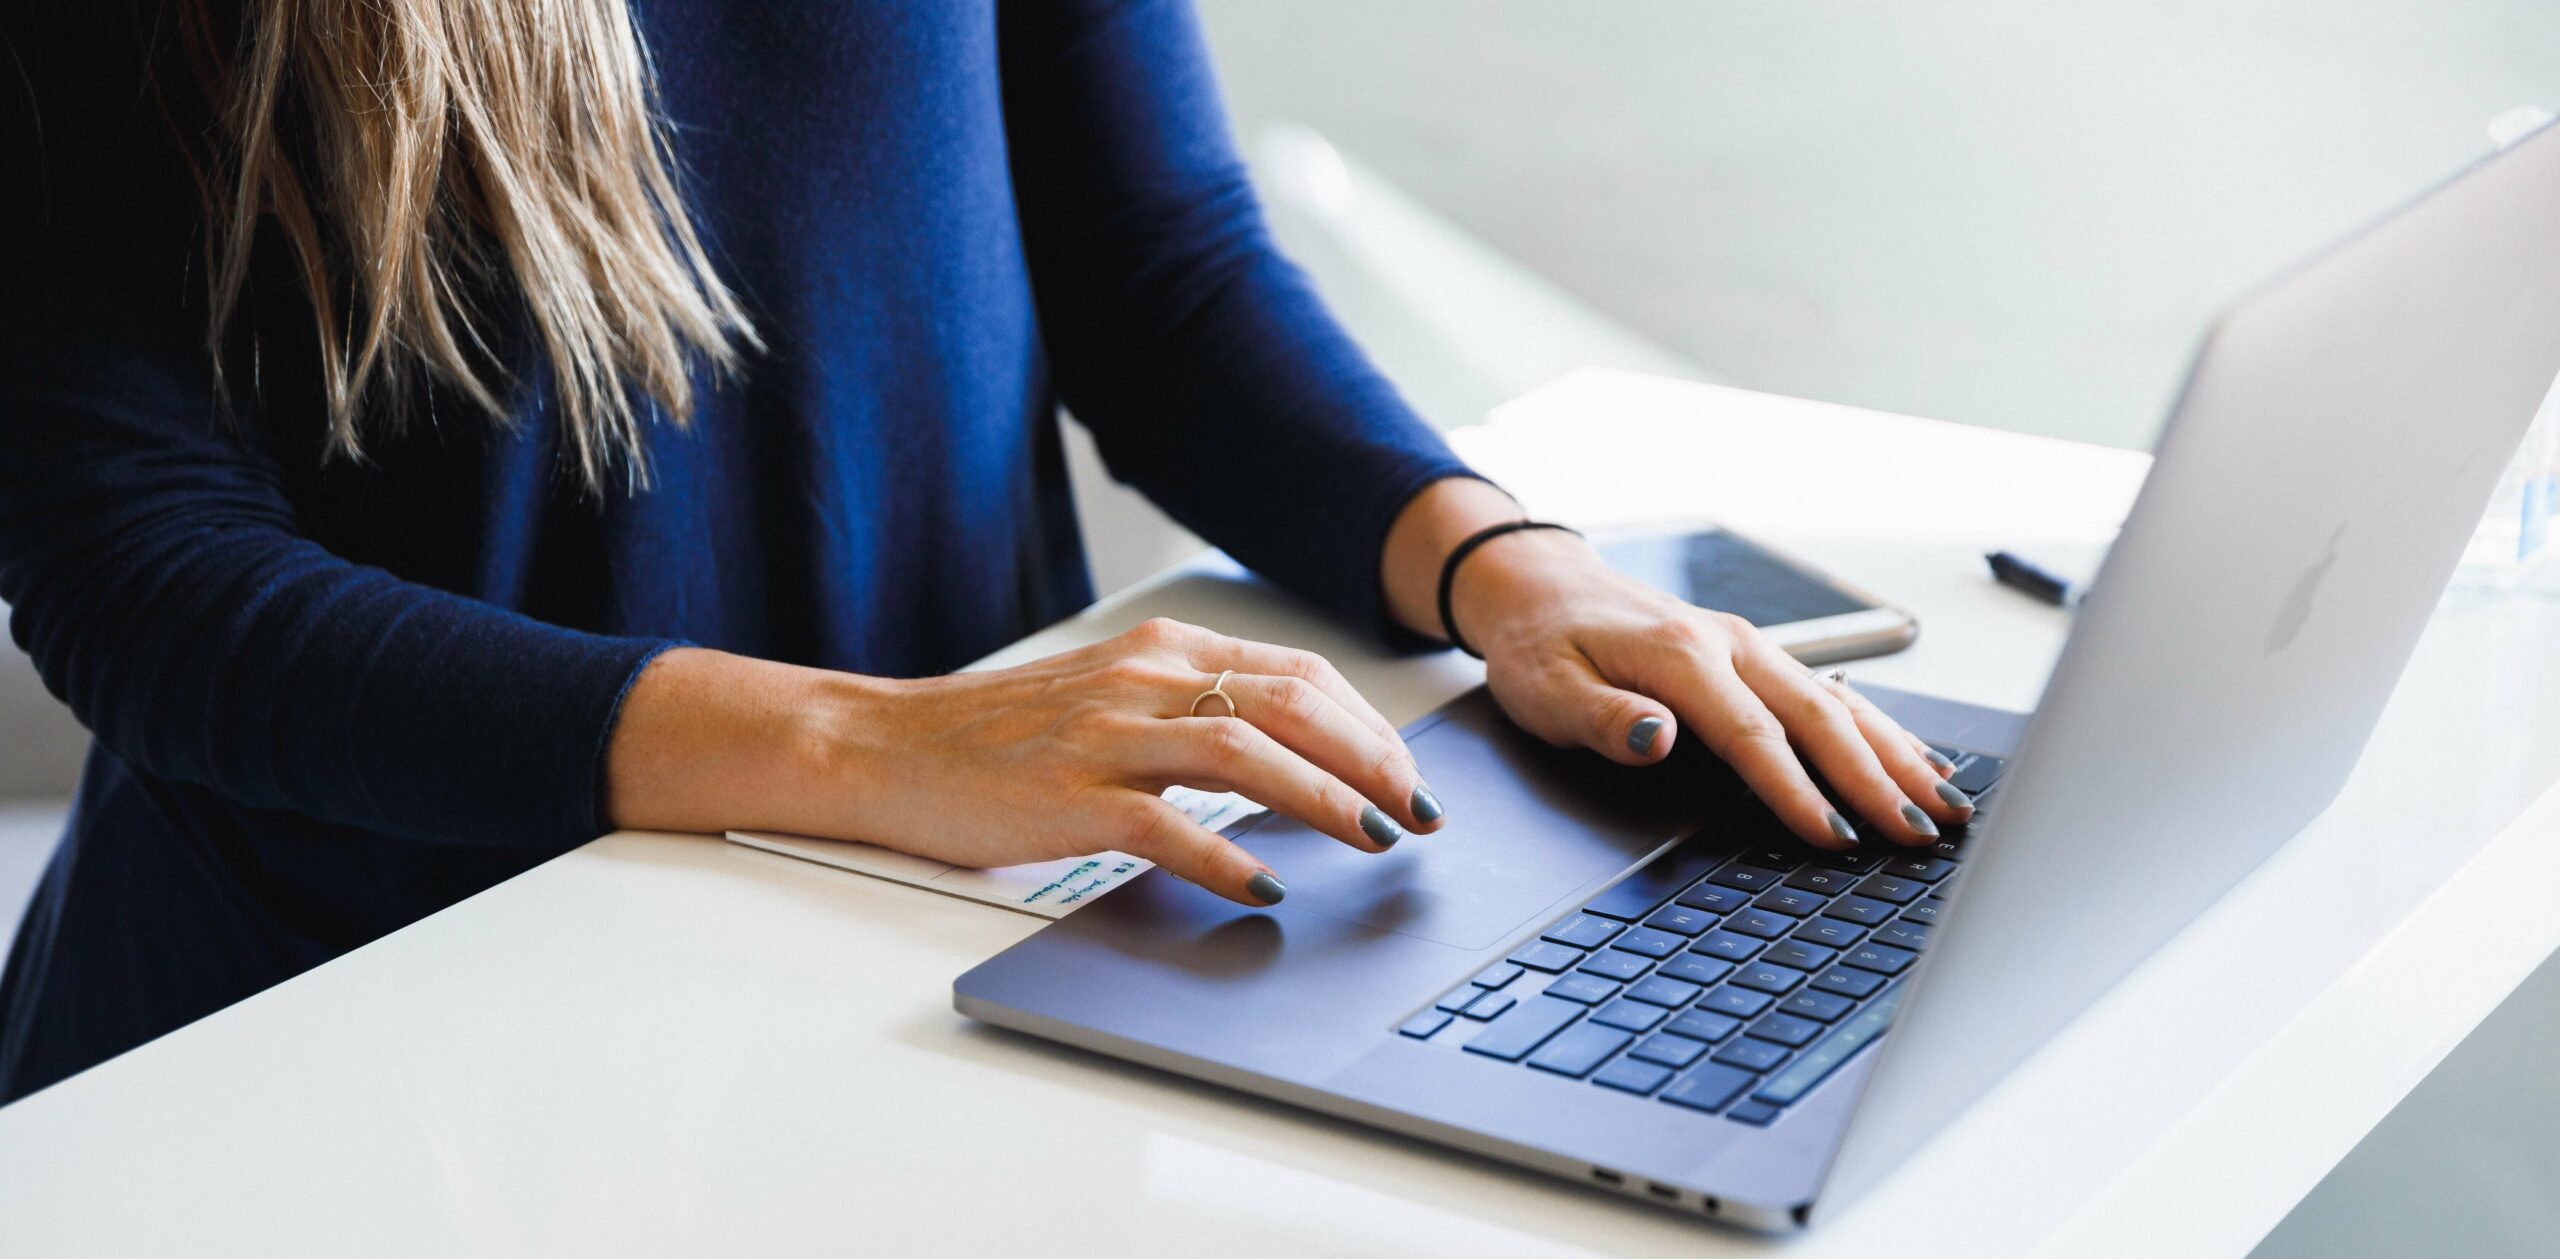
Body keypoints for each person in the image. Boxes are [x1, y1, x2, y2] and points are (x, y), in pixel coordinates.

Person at [0, 0, 1970, 1106]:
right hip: (370, 1039)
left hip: (928, 947)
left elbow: (1154, 262)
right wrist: (876, 747)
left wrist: (1499, 563)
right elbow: (138, 573)